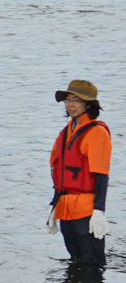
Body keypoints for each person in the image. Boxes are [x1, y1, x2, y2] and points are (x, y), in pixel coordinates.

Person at [47, 80, 111, 266]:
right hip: (65, 209)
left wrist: (99, 211)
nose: (70, 105)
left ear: (89, 104)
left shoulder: (97, 132)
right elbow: (61, 174)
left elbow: (101, 175)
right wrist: (54, 204)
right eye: (68, 100)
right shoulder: (65, 132)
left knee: (93, 266)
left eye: (76, 100)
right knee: (76, 262)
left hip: (86, 210)